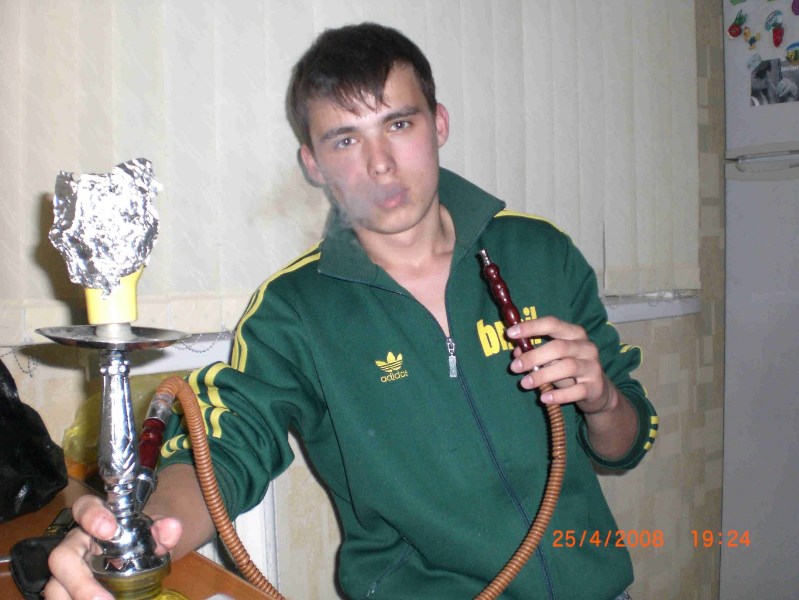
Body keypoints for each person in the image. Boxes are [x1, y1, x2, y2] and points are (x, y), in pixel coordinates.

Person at [45, 22, 656, 600]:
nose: (379, 163)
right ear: (313, 164)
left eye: (399, 124)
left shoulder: (540, 252)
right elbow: (224, 455)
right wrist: (133, 535)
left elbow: (623, 447)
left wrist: (603, 400)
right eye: (345, 139)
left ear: (439, 124)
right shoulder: (292, 310)